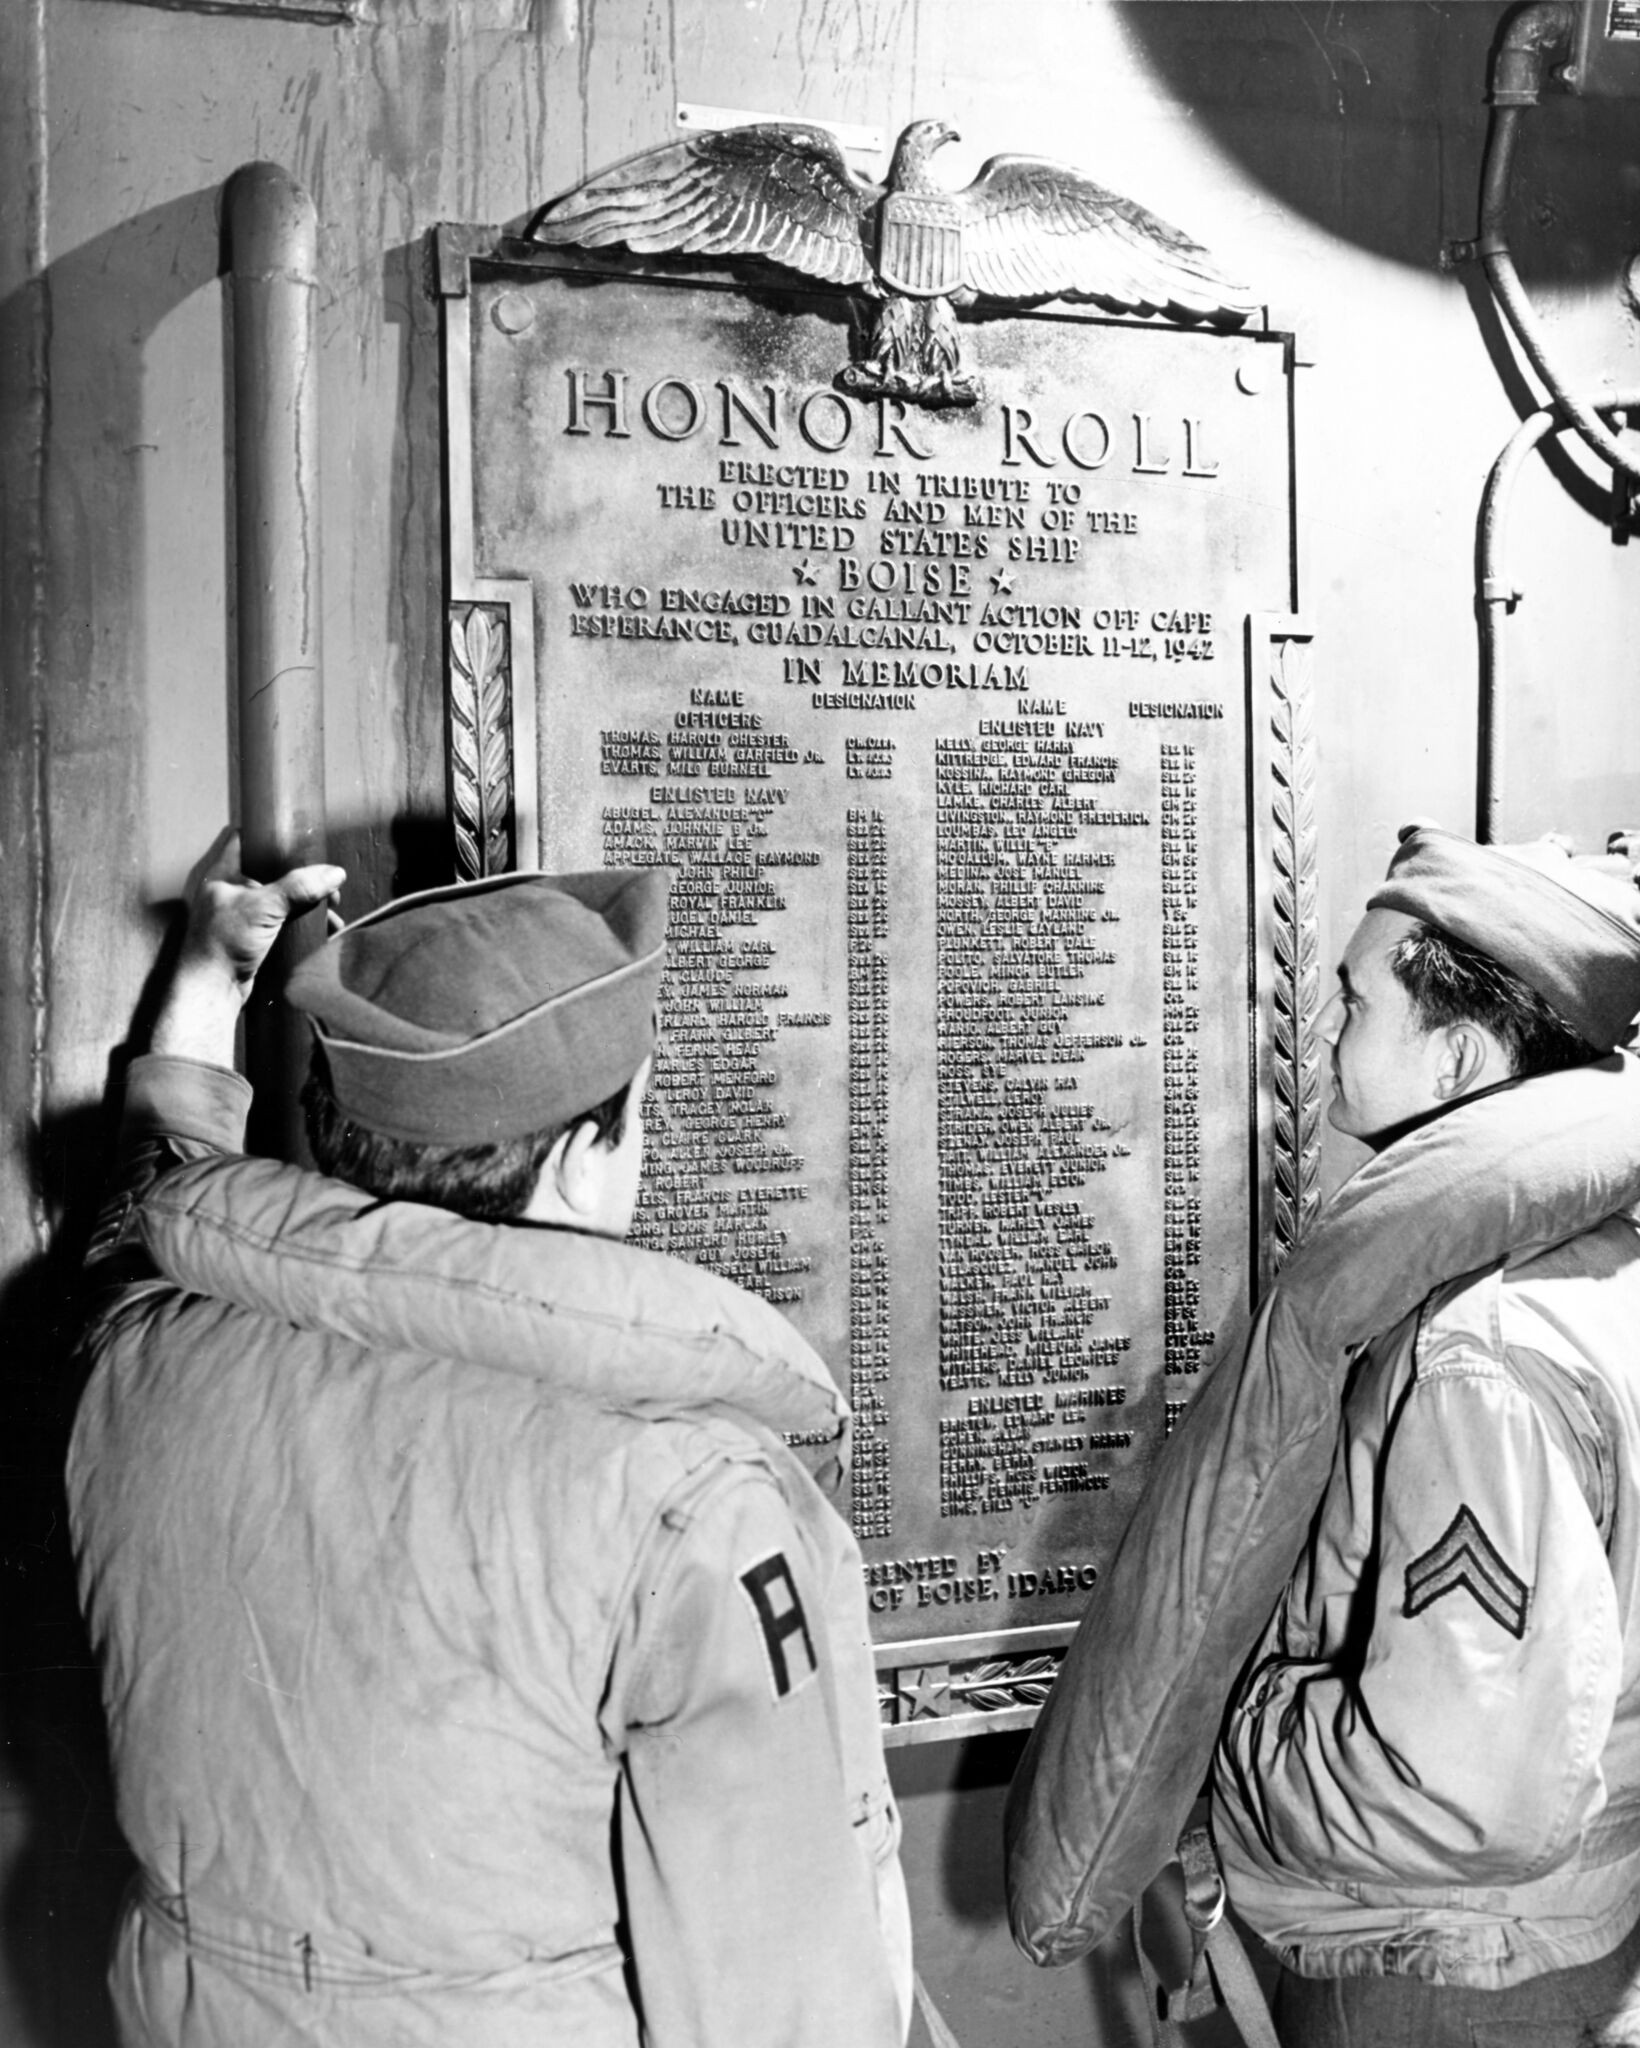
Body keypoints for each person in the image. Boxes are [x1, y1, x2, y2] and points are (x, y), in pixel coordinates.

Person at [67, 833, 911, 2048]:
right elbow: (783, 2008)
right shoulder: (690, 1497)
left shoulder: (140, 1355)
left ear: (342, 1127)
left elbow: (162, 1197)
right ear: (584, 1153)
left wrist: (206, 980)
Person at [1211, 823, 1640, 2045]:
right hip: (1558, 1939)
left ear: (1454, 1056)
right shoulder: (1594, 1265)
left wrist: (1234, 1734)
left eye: (1353, 1004)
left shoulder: (1478, 1357)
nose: (1321, 1034)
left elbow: (1457, 1792)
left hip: (1437, 1974)